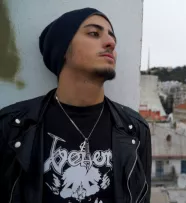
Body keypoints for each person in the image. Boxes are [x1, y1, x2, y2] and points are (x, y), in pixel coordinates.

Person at [0, 8, 151, 203]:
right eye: (94, 34)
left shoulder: (135, 129)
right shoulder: (12, 126)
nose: (111, 43)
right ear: (63, 50)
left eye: (112, 37)